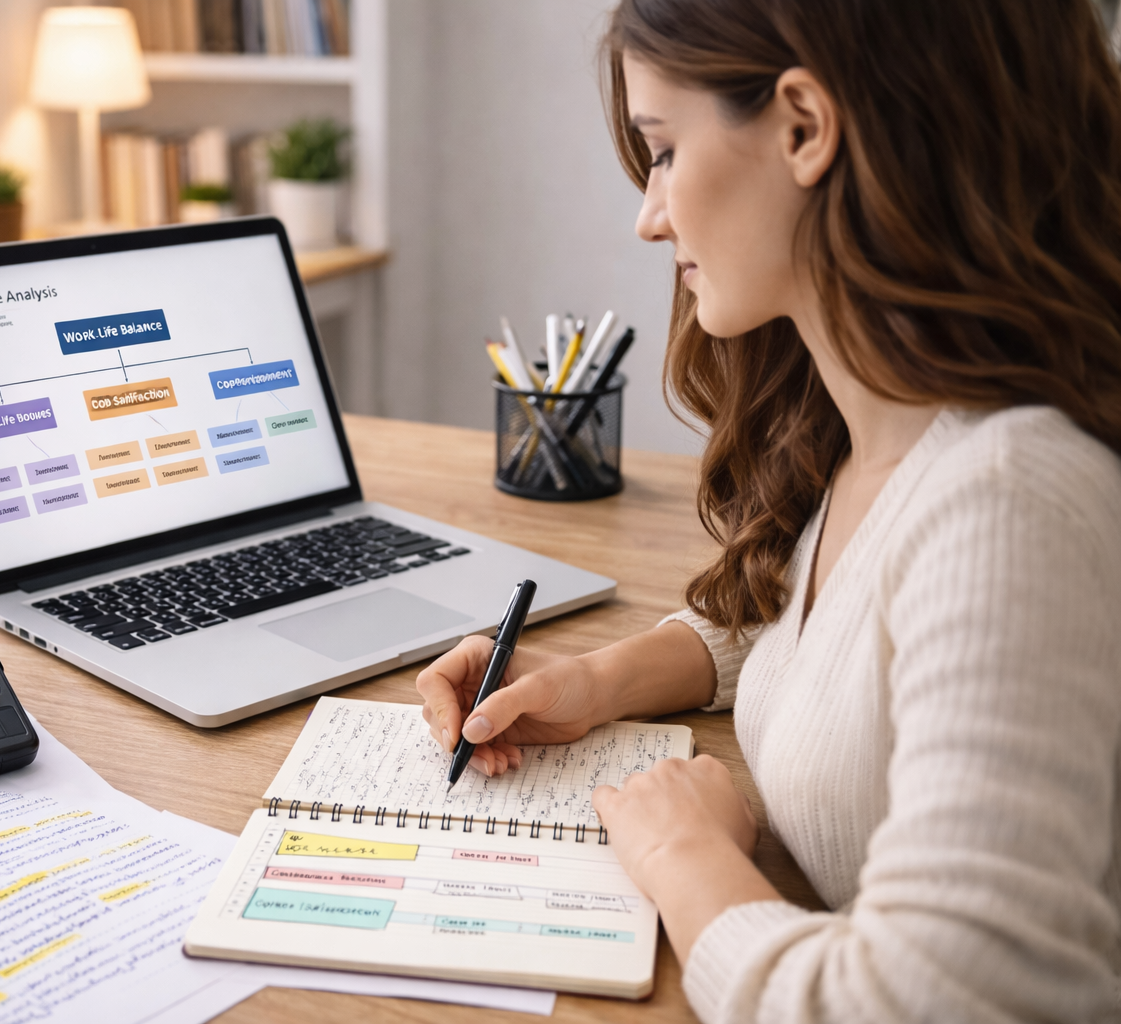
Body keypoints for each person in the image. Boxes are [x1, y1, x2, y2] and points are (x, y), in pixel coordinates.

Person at [416, 0, 1121, 1019]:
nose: (649, 215)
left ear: (803, 126)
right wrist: (598, 680)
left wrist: (682, 854)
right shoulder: (886, 433)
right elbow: (838, 626)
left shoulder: (1008, 502)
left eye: (661, 151)